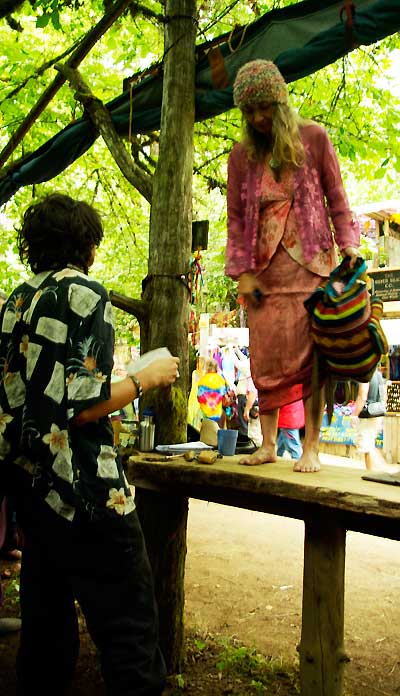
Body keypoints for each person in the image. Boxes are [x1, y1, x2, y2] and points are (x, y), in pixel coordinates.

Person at [0, 193, 180, 695]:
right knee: (131, 632)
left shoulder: (18, 298)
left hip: (29, 489)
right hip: (83, 491)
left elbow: (34, 393)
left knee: (45, 628)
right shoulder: (83, 292)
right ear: (89, 245)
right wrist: (145, 378)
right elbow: (80, 406)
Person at [225, 59, 361, 472]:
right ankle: (267, 443)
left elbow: (337, 198)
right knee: (265, 358)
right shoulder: (240, 157)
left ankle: (311, 447)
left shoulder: (314, 138)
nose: (257, 117)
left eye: (264, 106)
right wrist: (243, 273)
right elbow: (234, 217)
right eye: (248, 111)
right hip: (263, 275)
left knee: (313, 359)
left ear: (281, 102)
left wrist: (350, 245)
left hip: (313, 268)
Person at [352, 367, 387, 470]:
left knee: (367, 446)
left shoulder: (366, 374)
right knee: (369, 445)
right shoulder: (379, 374)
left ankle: (377, 470)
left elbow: (362, 395)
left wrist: (355, 414)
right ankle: (373, 470)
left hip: (367, 415)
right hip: (377, 413)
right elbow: (385, 396)